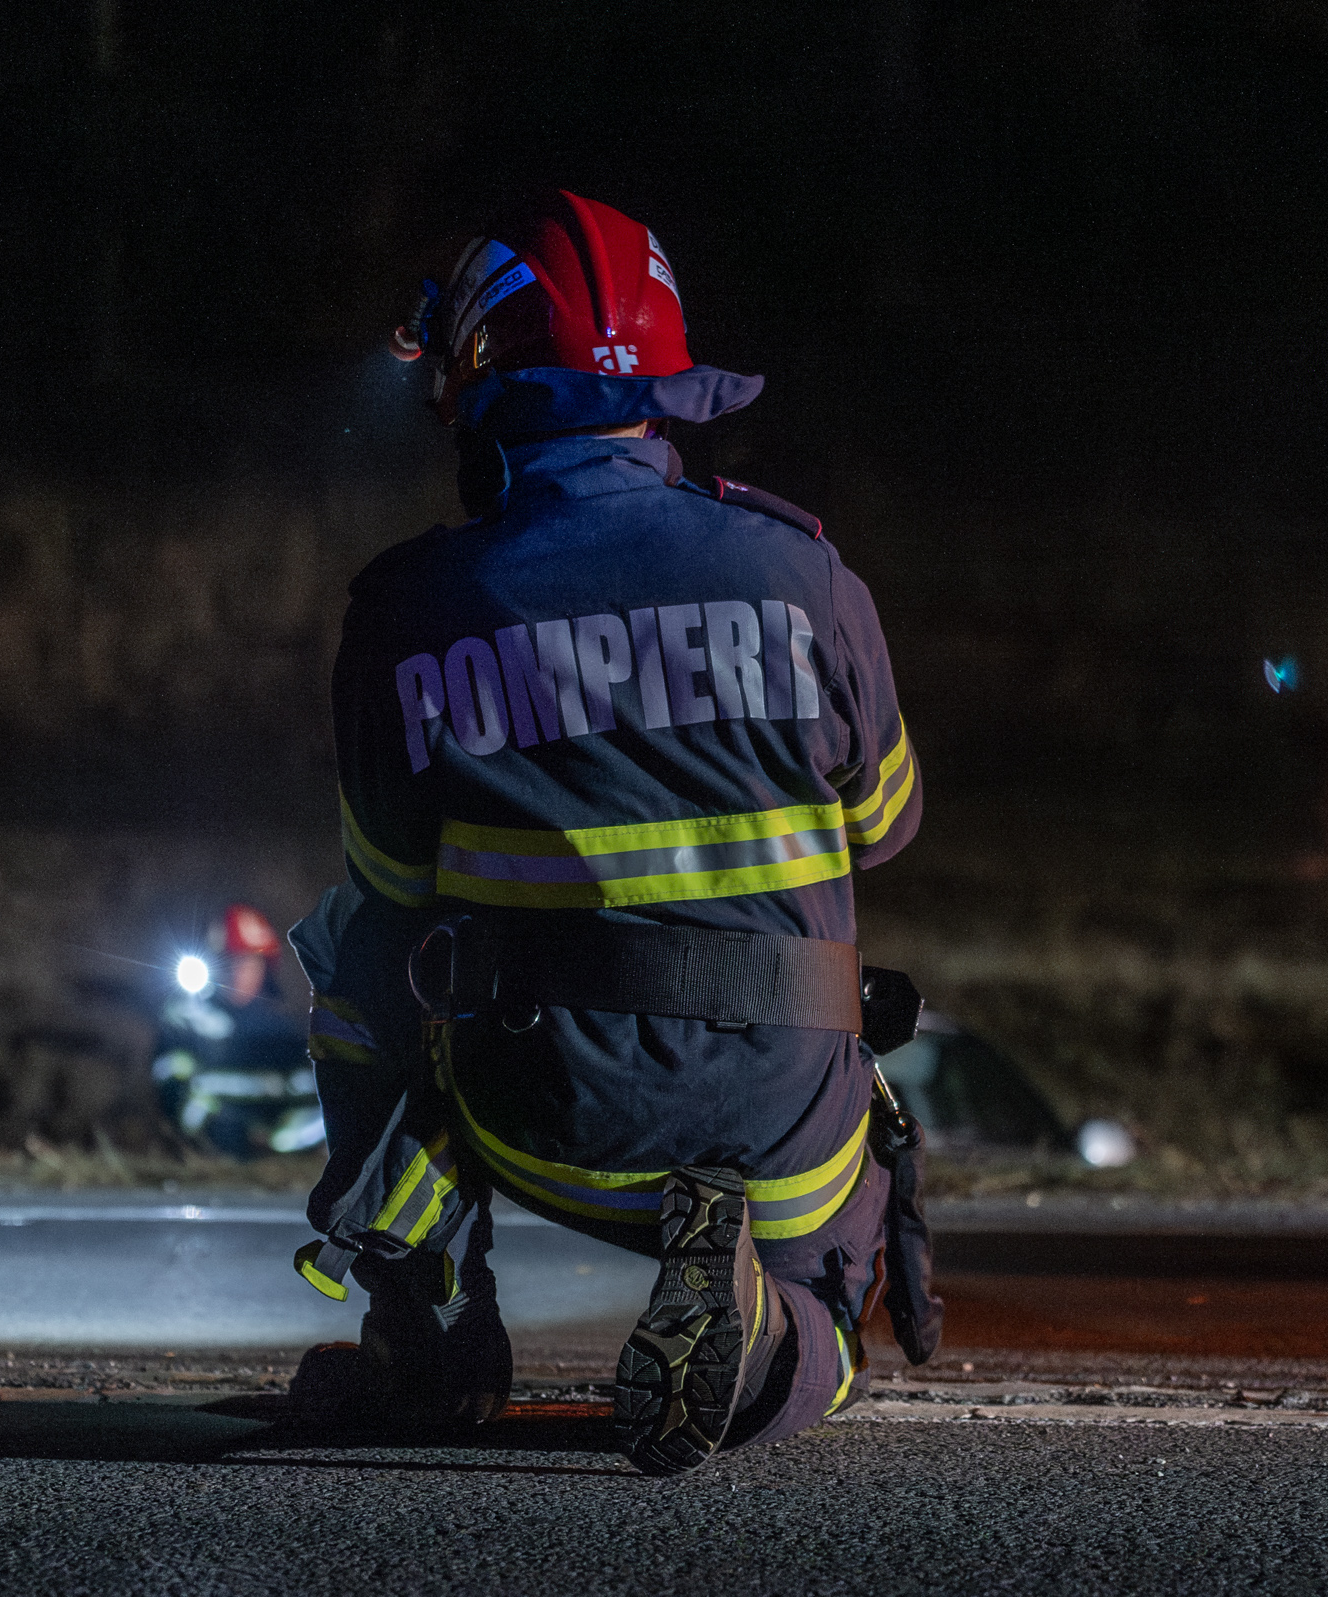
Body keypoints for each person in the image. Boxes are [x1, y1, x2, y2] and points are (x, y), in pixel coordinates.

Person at [285, 190, 924, 1475]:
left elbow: (392, 883)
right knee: (834, 1326)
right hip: (786, 1123)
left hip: (541, 1119)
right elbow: (887, 826)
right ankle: (759, 1324)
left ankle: (426, 1324)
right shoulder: (805, 573)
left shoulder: (410, 608)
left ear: (480, 380)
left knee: (358, 938)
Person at [150, 904, 323, 1158]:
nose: (237, 972)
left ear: (266, 967)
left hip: (281, 1151)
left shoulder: (284, 1026)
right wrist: (226, 1132)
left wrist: (284, 1141)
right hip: (211, 1150)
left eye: (248, 962)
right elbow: (172, 1088)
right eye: (229, 961)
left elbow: (313, 1094)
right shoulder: (187, 1019)